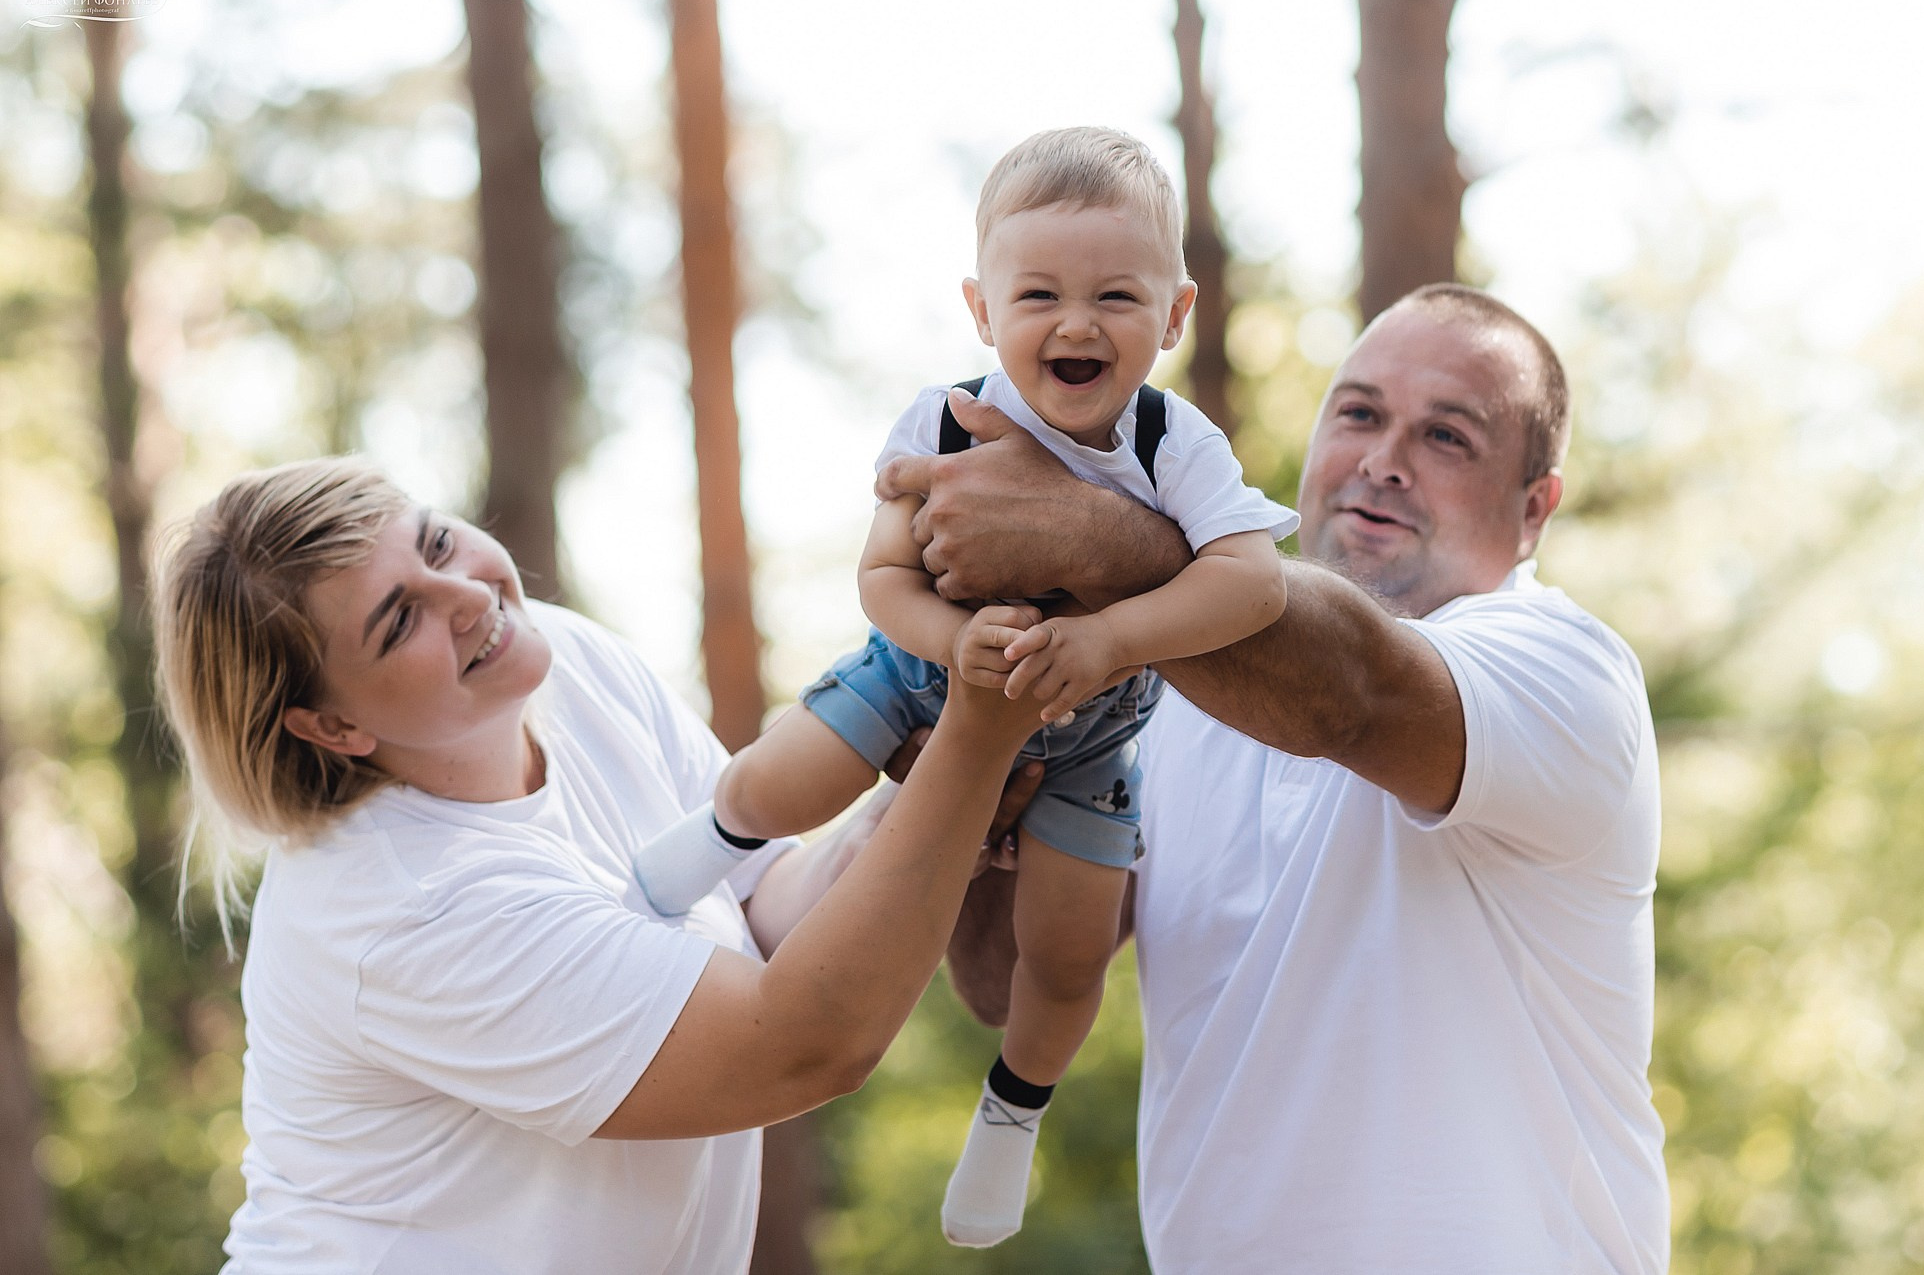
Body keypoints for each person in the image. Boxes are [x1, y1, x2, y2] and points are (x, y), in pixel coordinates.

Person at [890, 284, 1671, 1273]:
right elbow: (1001, 977)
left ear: (1532, 509)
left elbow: (1352, 690)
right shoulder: (1159, 699)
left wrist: (1080, 533)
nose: (1381, 460)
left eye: (1445, 438)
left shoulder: (1562, 670)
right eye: (1357, 414)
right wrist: (985, 788)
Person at [631, 126, 1297, 1248]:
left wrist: (1112, 637)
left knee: (1070, 950)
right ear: (983, 312)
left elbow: (1255, 583)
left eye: (1114, 297)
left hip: (1088, 736)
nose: (1075, 324)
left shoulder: (1169, 442)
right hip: (920, 679)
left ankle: (1012, 1110)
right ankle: (698, 849)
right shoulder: (938, 421)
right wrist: (949, 637)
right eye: (1037, 294)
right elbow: (881, 579)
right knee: (788, 777)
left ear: (1174, 315)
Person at [151, 456, 1053, 1275]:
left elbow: (761, 905)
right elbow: (801, 1044)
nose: (466, 594)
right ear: (333, 726)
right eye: (400, 621)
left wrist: (923, 803)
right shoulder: (405, 906)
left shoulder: (557, 662)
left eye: (435, 542)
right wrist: (980, 726)